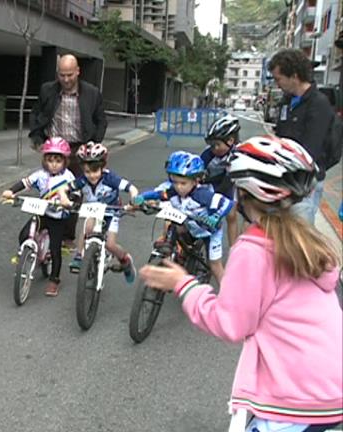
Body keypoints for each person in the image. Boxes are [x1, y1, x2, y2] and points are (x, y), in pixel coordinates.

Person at [138, 135, 342, 432]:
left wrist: (184, 284)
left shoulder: (254, 249)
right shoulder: (310, 243)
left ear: (244, 196)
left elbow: (230, 323)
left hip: (296, 400)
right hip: (332, 386)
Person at [132, 151, 233, 283]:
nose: (178, 187)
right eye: (174, 182)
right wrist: (142, 197)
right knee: (172, 224)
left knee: (215, 266)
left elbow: (226, 203)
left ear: (196, 181)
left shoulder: (202, 195)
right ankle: (173, 251)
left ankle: (227, 297)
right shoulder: (173, 192)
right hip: (190, 225)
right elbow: (158, 194)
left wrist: (216, 216)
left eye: (183, 183)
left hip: (209, 231)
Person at [2, 137, 75, 297]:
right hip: (42, 213)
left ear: (64, 161)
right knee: (24, 234)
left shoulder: (68, 177)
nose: (54, 164)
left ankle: (54, 280)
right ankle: (25, 254)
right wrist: (11, 191)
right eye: (50, 160)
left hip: (57, 217)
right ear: (45, 161)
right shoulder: (40, 175)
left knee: (55, 250)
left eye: (58, 160)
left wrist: (68, 201)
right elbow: (25, 182)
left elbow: (75, 193)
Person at [268, 49, 335, 224]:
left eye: (278, 78)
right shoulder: (287, 102)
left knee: (299, 234)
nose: (277, 84)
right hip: (284, 179)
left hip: (304, 183)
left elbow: (309, 151)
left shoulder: (319, 104)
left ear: (294, 76)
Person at [66, 143, 139, 283]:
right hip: (94, 211)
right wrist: (64, 198)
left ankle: (125, 260)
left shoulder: (110, 178)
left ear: (103, 167)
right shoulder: (82, 180)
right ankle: (79, 256)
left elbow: (131, 188)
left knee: (110, 244)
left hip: (112, 211)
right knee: (87, 228)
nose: (91, 175)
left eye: (95, 171)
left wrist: (134, 201)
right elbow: (65, 189)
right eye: (87, 172)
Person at [29, 54, 108, 177]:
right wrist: (38, 138)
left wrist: (93, 143)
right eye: (62, 75)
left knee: (77, 189)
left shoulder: (92, 93)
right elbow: (35, 113)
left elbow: (101, 121)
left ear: (78, 71)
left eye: (70, 75)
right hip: (54, 150)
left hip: (79, 150)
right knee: (51, 189)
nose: (66, 80)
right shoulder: (47, 90)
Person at [202, 114, 241, 246]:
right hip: (210, 182)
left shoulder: (238, 154)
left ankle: (233, 249)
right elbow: (197, 171)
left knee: (231, 215)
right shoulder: (208, 154)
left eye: (217, 145)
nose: (214, 149)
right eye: (211, 145)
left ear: (230, 141)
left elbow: (228, 182)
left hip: (229, 183)